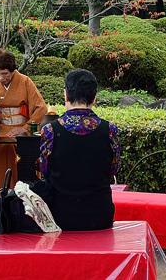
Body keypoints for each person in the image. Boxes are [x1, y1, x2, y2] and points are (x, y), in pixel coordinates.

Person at [31, 68, 120, 231]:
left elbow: (45, 170)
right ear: (94, 98)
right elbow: (113, 169)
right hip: (100, 215)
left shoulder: (50, 130)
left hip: (61, 215)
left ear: (66, 95)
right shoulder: (109, 130)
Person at [0, 48, 47, 191]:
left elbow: (41, 108)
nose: (1, 78)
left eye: (5, 74)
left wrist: (25, 127)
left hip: (20, 133)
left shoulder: (25, 82)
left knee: (22, 173)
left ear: (13, 70)